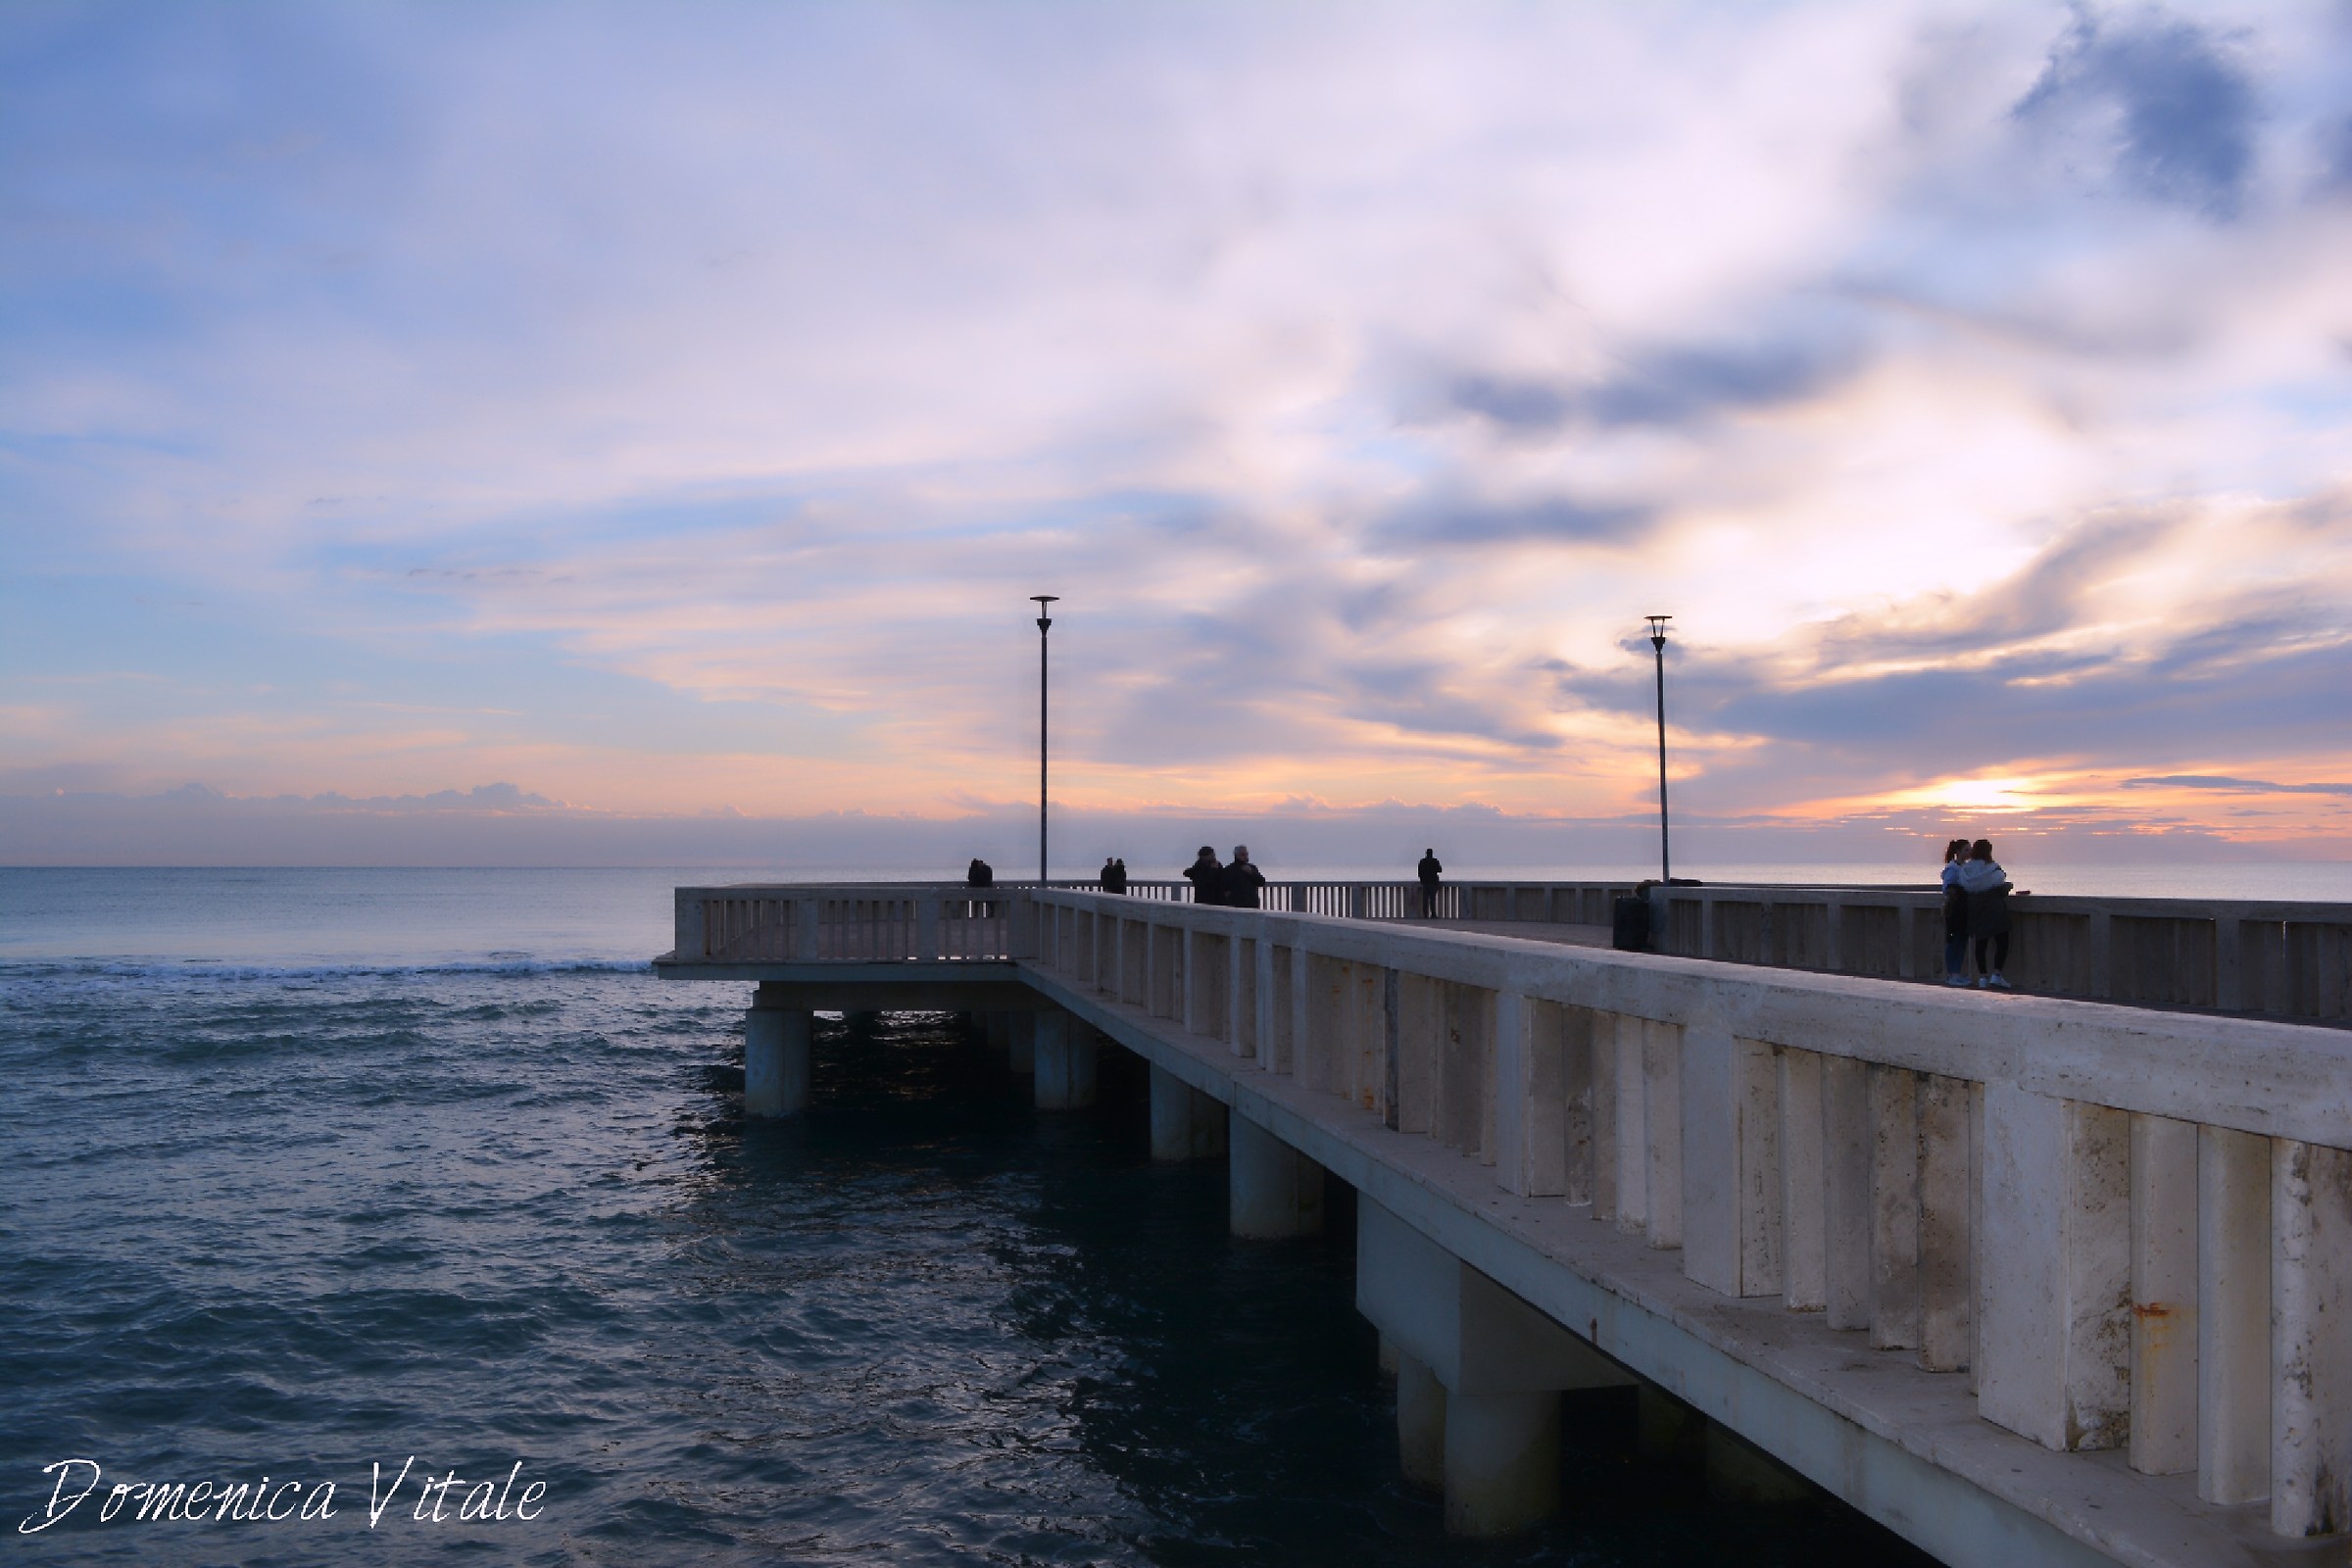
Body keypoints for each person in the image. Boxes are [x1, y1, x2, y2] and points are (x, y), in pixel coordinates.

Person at [1955, 839, 2012, 988]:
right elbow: (1999, 882)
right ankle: (1997, 975)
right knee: (2002, 940)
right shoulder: (1993, 868)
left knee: (1980, 942)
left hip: (1975, 907)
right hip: (1993, 907)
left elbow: (1963, 885)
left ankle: (1982, 977)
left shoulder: (1966, 869)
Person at [1939, 839, 1971, 986]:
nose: (1969, 852)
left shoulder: (1964, 867)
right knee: (1953, 941)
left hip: (1964, 909)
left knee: (1962, 941)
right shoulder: (1952, 869)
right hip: (1955, 909)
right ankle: (1951, 973)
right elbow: (1947, 888)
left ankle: (1956, 972)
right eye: (1966, 850)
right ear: (1958, 852)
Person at [1221, 845, 1267, 909]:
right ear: (1236, 855)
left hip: (1252, 905)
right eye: (1243, 855)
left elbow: (1261, 882)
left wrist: (1251, 872)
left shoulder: (1252, 868)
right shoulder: (1229, 870)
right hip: (1236, 906)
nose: (1246, 857)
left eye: (1246, 854)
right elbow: (1223, 888)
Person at [1417, 848, 1444, 916]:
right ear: (1432, 853)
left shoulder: (1422, 861)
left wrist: (1422, 880)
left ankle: (1425, 914)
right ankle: (1433, 913)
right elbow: (1440, 870)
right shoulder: (1434, 861)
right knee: (1432, 899)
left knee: (1425, 899)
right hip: (1433, 882)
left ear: (1426, 853)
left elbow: (1419, 873)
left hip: (1425, 882)